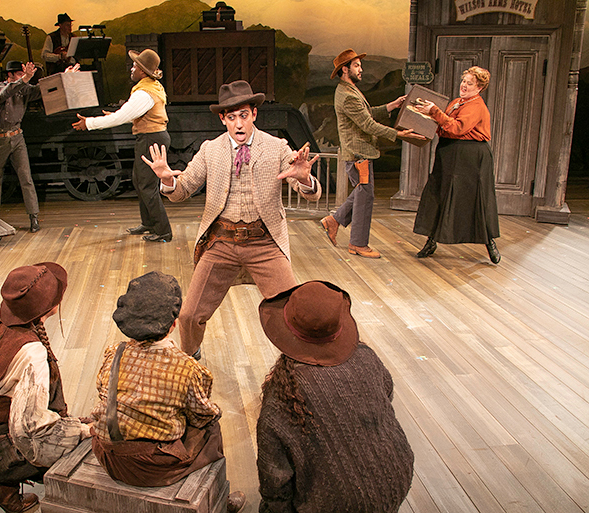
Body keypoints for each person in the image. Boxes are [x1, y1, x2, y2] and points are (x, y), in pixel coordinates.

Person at [141, 80, 321, 358]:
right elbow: (183, 189)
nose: (239, 124)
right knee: (189, 316)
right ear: (223, 119)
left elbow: (310, 194)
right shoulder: (210, 150)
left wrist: (305, 178)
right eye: (232, 117)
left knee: (291, 312)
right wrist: (167, 181)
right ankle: (191, 358)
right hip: (221, 242)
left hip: (264, 243)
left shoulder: (276, 147)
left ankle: (297, 365)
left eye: (244, 115)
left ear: (254, 115)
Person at [90, 271, 246, 512]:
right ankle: (219, 499)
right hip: (152, 468)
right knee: (212, 426)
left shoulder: (114, 353)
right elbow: (202, 415)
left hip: (108, 456)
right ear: (173, 325)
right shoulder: (187, 368)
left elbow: (103, 389)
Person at [256, 280, 414, 512]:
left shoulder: (283, 394)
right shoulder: (366, 356)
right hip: (397, 478)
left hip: (339, 504)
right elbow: (387, 392)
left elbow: (275, 482)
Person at [0, 262, 92, 513]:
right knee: (90, 443)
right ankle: (23, 485)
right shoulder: (32, 351)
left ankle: (1, 489)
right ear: (52, 307)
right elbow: (30, 428)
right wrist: (83, 431)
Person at [320, 48, 423, 259]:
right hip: (358, 155)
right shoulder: (347, 95)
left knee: (362, 193)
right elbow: (368, 124)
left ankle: (334, 220)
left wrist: (391, 106)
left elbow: (365, 114)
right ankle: (358, 244)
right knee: (364, 198)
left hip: (360, 153)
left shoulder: (350, 91)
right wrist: (398, 134)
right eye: (357, 66)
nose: (361, 69)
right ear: (345, 69)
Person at [72, 49, 173, 242]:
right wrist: (117, 117)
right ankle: (149, 223)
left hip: (152, 139)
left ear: (143, 71)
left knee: (147, 186)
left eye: (135, 66)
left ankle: (163, 231)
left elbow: (122, 116)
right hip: (150, 137)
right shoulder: (150, 86)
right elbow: (136, 115)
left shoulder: (144, 92)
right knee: (139, 182)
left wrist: (89, 123)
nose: (132, 68)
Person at [412, 66, 501, 264]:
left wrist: (434, 111)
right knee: (440, 194)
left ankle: (490, 243)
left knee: (477, 199)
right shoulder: (456, 102)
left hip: (470, 156)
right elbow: (444, 125)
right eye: (464, 81)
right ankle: (431, 241)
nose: (464, 86)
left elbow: (458, 127)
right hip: (449, 153)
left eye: (470, 83)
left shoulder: (476, 106)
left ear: (479, 87)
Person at [0, 61, 78, 233]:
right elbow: (8, 92)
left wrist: (63, 77)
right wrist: (26, 78)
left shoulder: (24, 89)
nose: (24, 76)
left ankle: (33, 217)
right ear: (10, 74)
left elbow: (41, 89)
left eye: (24, 74)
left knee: (26, 178)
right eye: (20, 74)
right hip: (0, 139)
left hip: (17, 137)